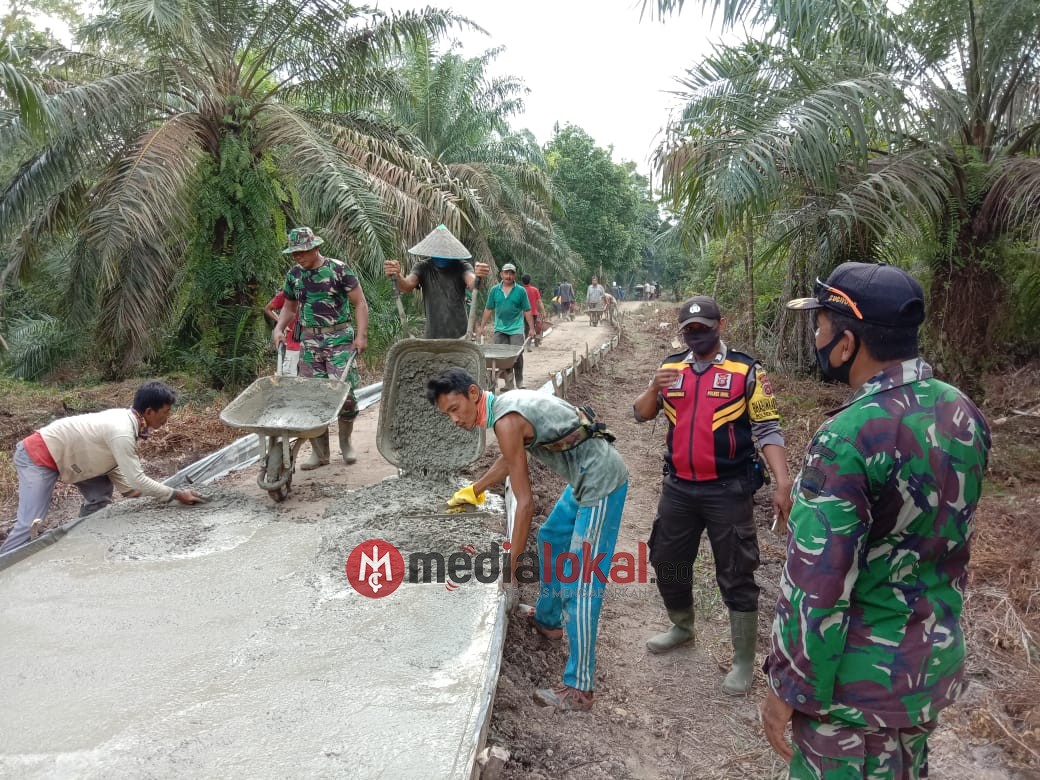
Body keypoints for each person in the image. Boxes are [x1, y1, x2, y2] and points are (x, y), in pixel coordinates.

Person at [762, 263, 991, 778]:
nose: (816, 338)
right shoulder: (961, 412)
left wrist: (788, 687)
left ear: (846, 344)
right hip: (926, 671)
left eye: (820, 326)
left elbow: (818, 584)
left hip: (854, 692)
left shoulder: (850, 435)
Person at [426, 368, 629, 712]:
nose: (454, 420)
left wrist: (511, 566)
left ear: (473, 394)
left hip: (600, 481)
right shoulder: (506, 407)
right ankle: (548, 621)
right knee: (551, 536)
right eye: (447, 415)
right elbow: (510, 459)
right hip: (582, 476)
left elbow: (525, 504)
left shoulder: (506, 421)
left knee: (581, 583)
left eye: (455, 409)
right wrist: (475, 489)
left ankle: (580, 688)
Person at [632, 295, 793, 695]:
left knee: (736, 570)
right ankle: (682, 625)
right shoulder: (671, 368)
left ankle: (743, 661)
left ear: (721, 325)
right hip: (678, 487)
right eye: (689, 330)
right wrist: (653, 387)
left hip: (728, 489)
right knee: (667, 560)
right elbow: (641, 414)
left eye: (702, 328)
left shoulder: (746, 370)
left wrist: (783, 481)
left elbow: (768, 428)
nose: (696, 335)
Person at [0, 381, 204, 554]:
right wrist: (176, 494)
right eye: (166, 412)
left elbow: (115, 466)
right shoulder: (122, 431)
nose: (167, 418)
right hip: (38, 455)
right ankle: (5, 563)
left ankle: (84, 537)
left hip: (74, 457)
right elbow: (137, 479)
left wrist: (130, 490)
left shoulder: (128, 420)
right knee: (30, 523)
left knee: (100, 494)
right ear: (150, 411)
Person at [272, 227, 369, 469]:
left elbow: (360, 303)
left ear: (315, 247)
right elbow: (289, 307)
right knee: (313, 398)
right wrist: (279, 328)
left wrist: (361, 335)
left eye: (302, 252)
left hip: (339, 338)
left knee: (346, 396)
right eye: (294, 253)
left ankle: (345, 443)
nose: (298, 257)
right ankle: (320, 453)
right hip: (309, 341)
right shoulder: (294, 275)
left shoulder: (338, 269)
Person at [383, 224, 490, 339]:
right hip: (433, 335)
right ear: (431, 249)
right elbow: (406, 286)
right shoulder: (423, 267)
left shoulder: (462, 266)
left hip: (460, 335)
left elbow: (474, 284)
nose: (441, 253)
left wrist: (479, 275)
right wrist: (397, 275)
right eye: (438, 250)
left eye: (444, 249)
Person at [479, 263, 534, 389]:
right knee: (502, 357)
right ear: (501, 274)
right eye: (506, 273)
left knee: (517, 355)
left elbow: (527, 310)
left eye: (511, 273)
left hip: (516, 328)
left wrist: (531, 328)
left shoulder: (520, 291)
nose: (508, 276)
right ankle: (508, 383)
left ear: (515, 275)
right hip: (500, 328)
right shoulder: (494, 290)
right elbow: (488, 309)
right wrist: (482, 327)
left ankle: (519, 381)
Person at [264, 290, 301, 376]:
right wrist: (281, 323)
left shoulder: (314, 292)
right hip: (292, 343)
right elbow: (268, 309)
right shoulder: (288, 293)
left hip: (310, 344)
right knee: (289, 378)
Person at [521, 274, 545, 348]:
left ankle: (528, 344)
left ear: (522, 281)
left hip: (524, 313)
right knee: (534, 327)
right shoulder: (535, 290)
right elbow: (539, 302)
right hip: (533, 313)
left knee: (526, 328)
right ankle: (534, 342)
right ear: (530, 280)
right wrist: (543, 311)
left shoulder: (520, 290)